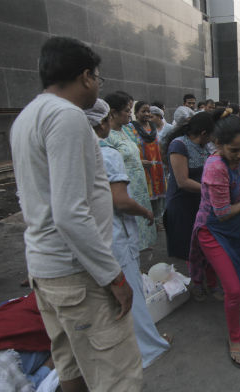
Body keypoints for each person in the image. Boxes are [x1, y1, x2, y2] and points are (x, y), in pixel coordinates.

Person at [9, 36, 142, 392]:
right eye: (97, 77)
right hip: (77, 275)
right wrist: (114, 277)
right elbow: (69, 213)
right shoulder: (66, 117)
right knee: (117, 374)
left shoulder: (26, 117)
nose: (98, 84)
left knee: (70, 362)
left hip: (47, 270)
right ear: (86, 76)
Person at [85, 98, 171, 368]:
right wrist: (145, 211)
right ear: (103, 121)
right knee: (129, 290)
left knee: (103, 298)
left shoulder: (73, 152)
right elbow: (120, 201)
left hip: (89, 235)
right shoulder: (106, 153)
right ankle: (147, 348)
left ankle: (117, 346)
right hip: (114, 234)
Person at [188, 115, 240, 369]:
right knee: (233, 287)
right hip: (213, 228)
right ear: (218, 144)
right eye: (234, 150)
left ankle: (219, 291)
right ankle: (235, 340)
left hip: (235, 225)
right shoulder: (215, 166)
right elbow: (222, 212)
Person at [160, 113, 216, 298]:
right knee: (191, 246)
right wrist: (211, 191)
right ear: (203, 132)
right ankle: (196, 283)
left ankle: (206, 280)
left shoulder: (204, 146)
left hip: (200, 200)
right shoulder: (179, 145)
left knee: (205, 242)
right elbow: (183, 181)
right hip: (183, 202)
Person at [104, 92, 157, 250]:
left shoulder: (126, 130)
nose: (130, 114)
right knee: (127, 235)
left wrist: (140, 162)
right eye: (127, 110)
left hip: (138, 186)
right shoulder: (106, 136)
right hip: (123, 190)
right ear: (113, 112)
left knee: (139, 233)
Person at [131, 101, 167, 230]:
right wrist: (139, 162)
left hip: (156, 167)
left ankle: (157, 221)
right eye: (143, 111)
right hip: (142, 168)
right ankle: (146, 224)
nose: (147, 114)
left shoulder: (153, 127)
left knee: (158, 198)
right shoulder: (131, 128)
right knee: (145, 196)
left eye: (148, 111)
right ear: (136, 113)